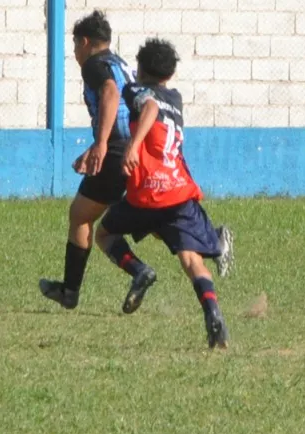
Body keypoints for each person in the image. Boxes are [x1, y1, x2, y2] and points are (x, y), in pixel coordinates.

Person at [95, 37, 235, 348]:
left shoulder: (137, 91)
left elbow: (149, 106)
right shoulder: (177, 97)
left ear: (141, 70)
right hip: (178, 192)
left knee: (103, 235)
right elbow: (160, 103)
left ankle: (139, 269)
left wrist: (133, 145)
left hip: (145, 194)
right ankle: (213, 313)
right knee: (190, 259)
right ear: (169, 75)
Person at [39, 10, 135, 309]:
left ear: (84, 42)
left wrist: (103, 144)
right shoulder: (120, 63)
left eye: (74, 46)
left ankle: (71, 291)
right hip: (135, 147)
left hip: (117, 150)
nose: (74, 53)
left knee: (81, 216)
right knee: (152, 218)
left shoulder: (95, 65)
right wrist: (96, 143)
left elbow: (109, 93)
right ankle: (210, 239)